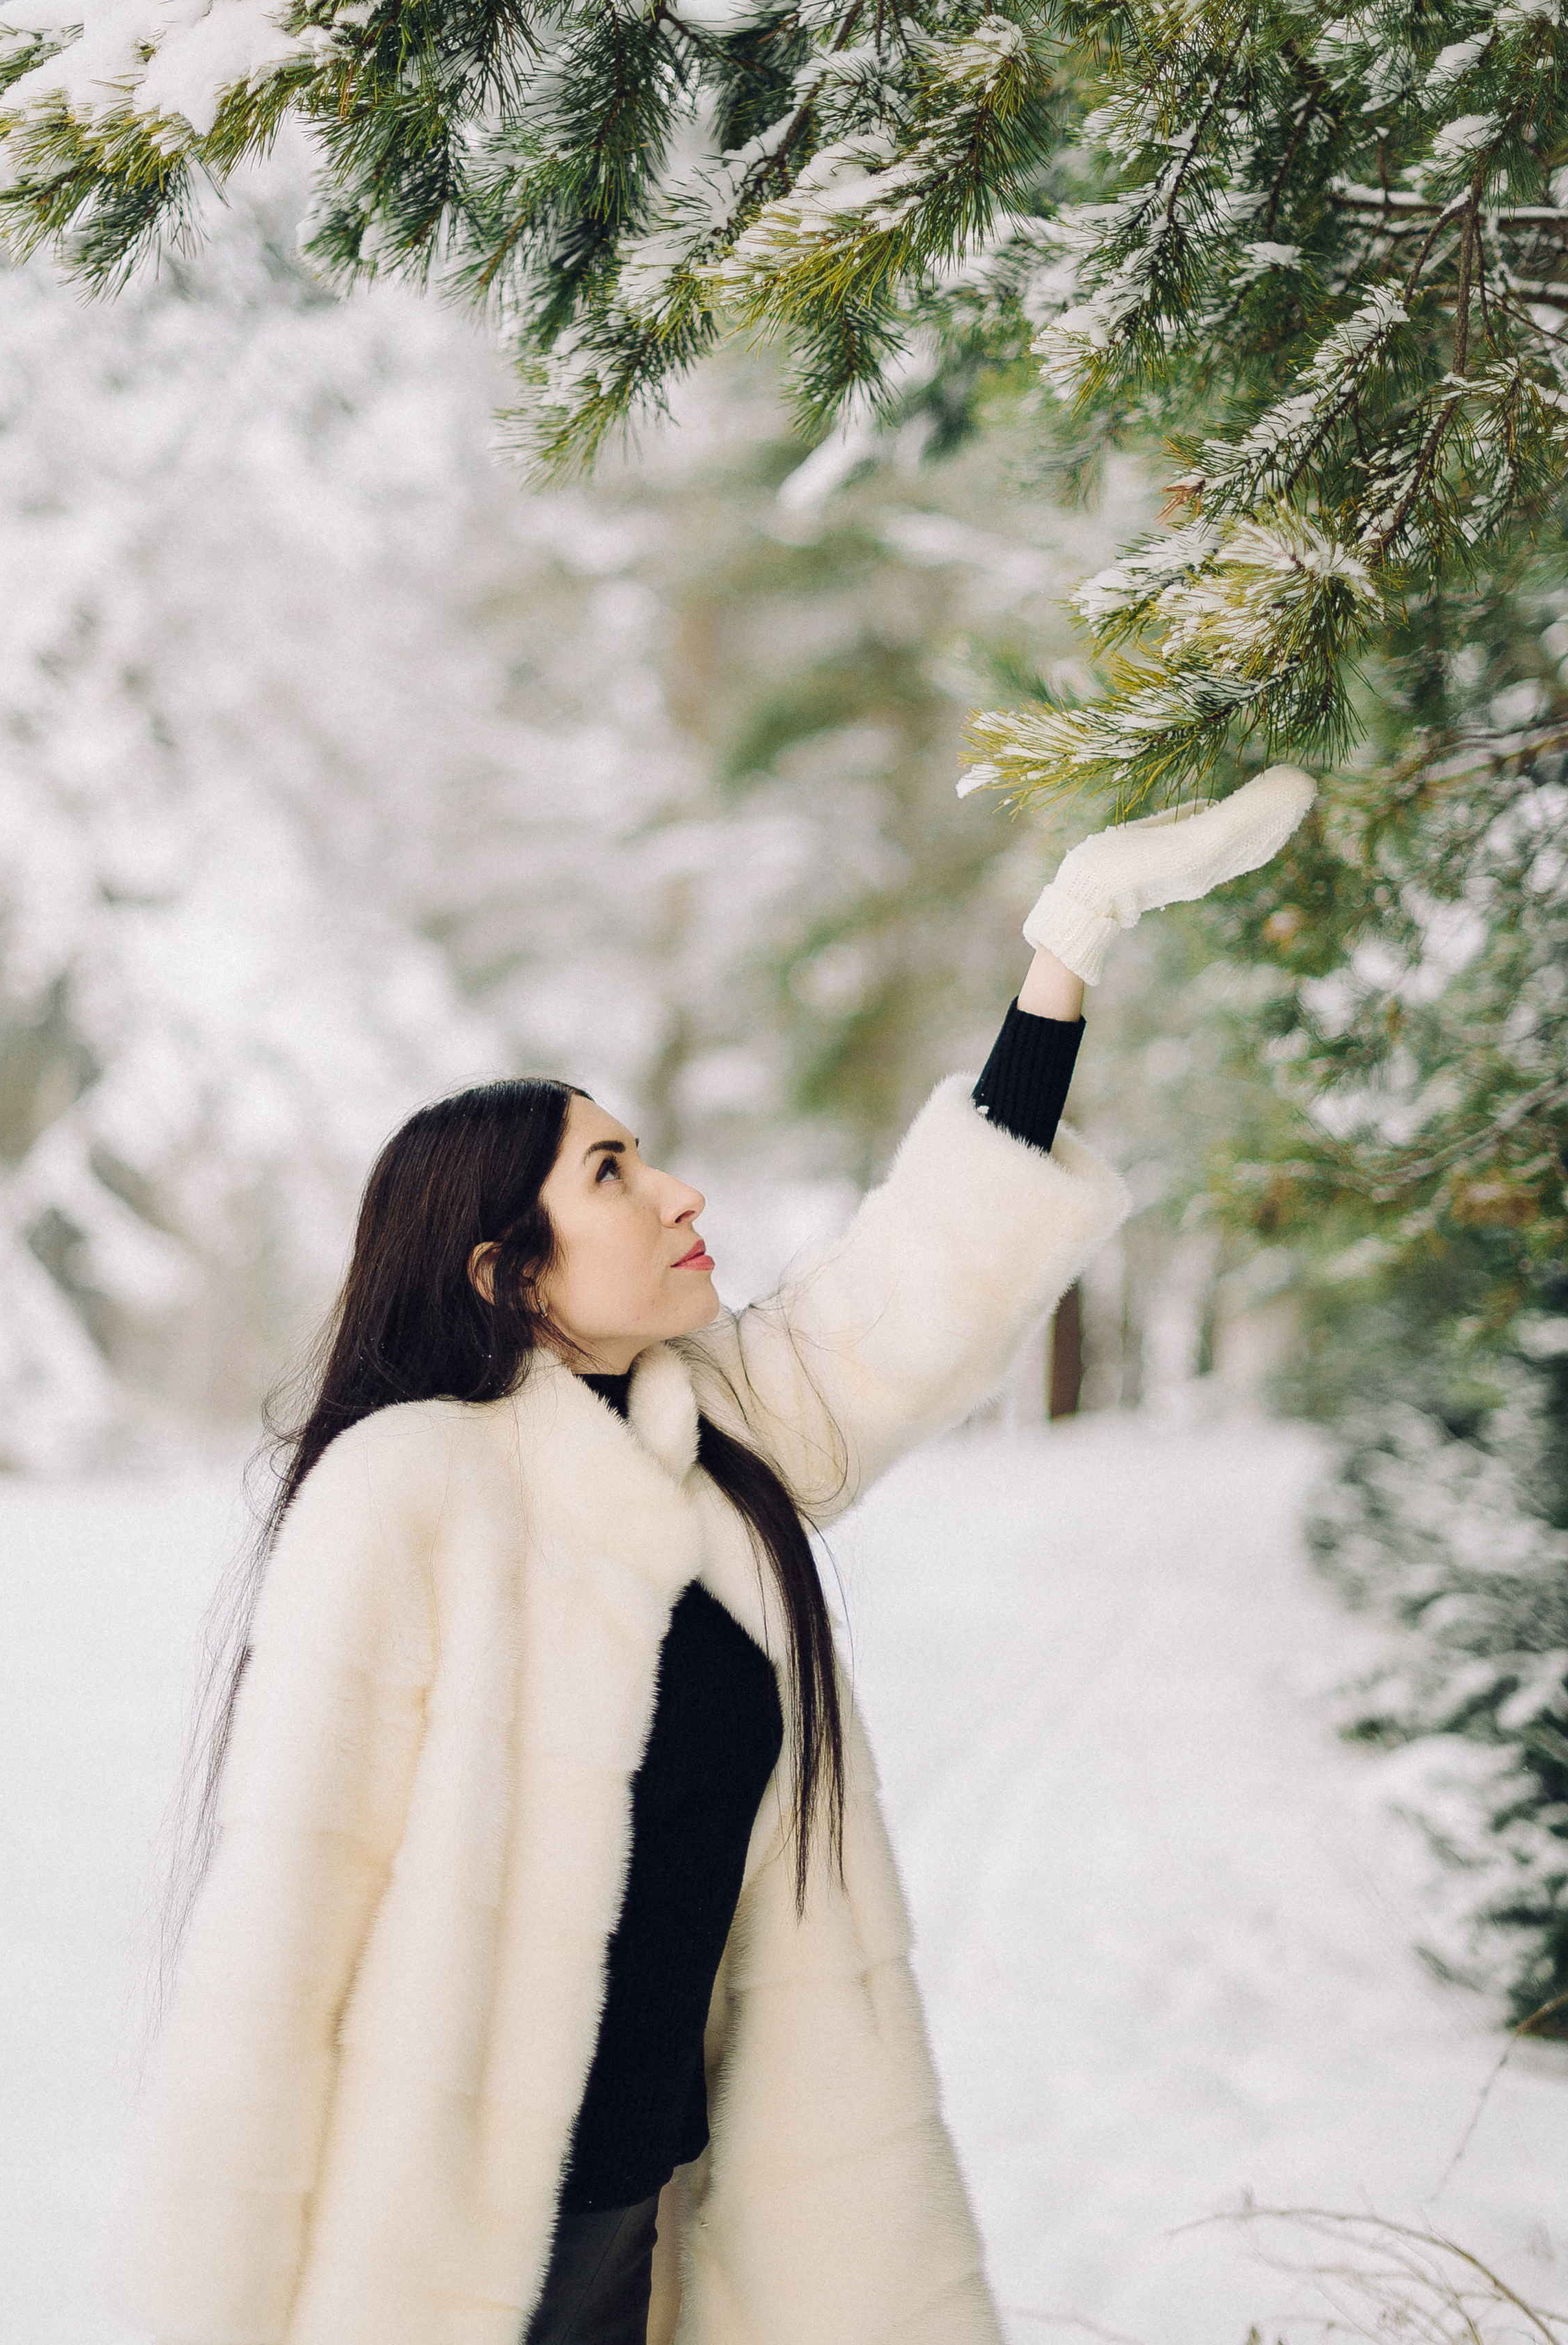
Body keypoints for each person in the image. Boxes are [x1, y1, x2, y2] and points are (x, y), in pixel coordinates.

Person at [109, 768, 1315, 2345]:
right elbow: (280, 1938)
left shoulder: (701, 1433)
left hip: (645, 2202)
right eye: (611, 1172)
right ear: (503, 1270)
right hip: (443, 2248)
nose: (681, 1193)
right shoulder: (407, 1491)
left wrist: (1066, 941)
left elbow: (912, 1280)